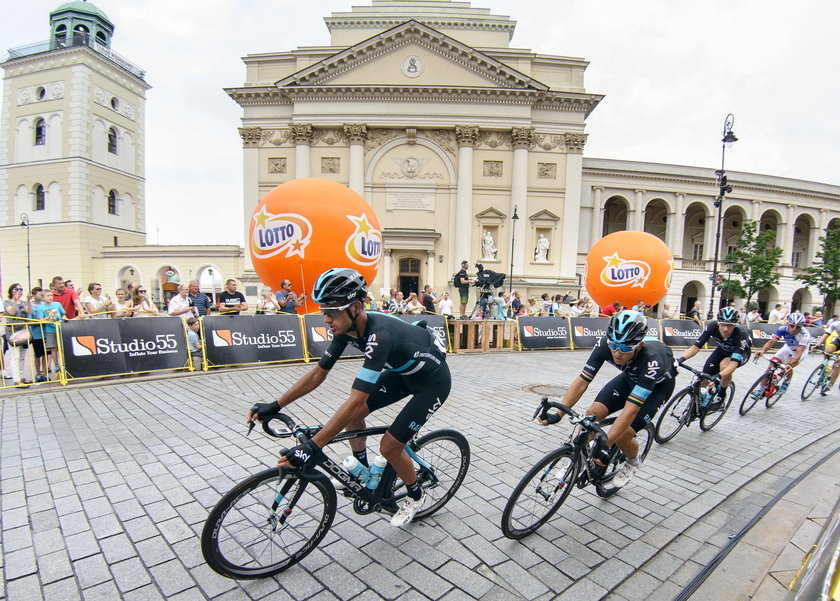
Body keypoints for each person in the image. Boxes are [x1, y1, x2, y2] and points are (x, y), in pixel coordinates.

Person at [248, 268, 450, 527]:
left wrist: (312, 447)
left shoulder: (379, 335)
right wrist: (275, 405)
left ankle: (415, 494)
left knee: (389, 446)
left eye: (331, 312)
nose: (326, 319)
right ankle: (364, 471)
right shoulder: (345, 330)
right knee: (355, 413)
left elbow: (355, 399)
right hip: (403, 374)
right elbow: (318, 374)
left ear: (355, 308)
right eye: (323, 312)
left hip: (432, 383)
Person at [539, 311, 676, 489]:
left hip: (657, 388)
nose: (617, 353)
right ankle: (577, 460)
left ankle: (633, 462)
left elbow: (630, 409)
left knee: (623, 434)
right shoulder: (605, 344)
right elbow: (582, 381)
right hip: (631, 378)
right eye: (614, 345)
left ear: (639, 345)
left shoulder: (652, 360)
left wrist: (606, 443)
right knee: (591, 414)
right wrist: (559, 413)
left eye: (626, 348)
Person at [677, 306, 752, 411]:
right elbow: (695, 347)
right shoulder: (712, 327)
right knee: (704, 377)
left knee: (724, 366)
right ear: (718, 323)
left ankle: (721, 396)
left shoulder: (741, 333)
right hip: (722, 349)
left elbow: (733, 364)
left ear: (735, 325)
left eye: (730, 325)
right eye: (723, 324)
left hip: (741, 353)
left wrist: (718, 377)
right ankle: (701, 400)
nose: (725, 329)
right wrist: (680, 359)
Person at [753, 312, 811, 395]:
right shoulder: (782, 329)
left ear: (801, 327)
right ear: (788, 323)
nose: (794, 329)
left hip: (800, 351)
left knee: (787, 365)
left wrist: (790, 365)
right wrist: (762, 351)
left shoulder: (804, 335)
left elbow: (799, 353)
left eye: (797, 327)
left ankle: (786, 382)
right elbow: (771, 342)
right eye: (792, 325)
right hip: (788, 347)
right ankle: (760, 390)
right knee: (770, 366)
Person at [4, 283, 32, 386]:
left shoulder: (23, 302)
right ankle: (17, 379)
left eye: (21, 289)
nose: (19, 291)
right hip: (13, 331)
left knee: (22, 356)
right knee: (15, 355)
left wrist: (28, 300)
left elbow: (29, 311)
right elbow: (11, 312)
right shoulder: (7, 302)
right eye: (17, 289)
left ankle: (21, 377)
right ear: (12, 291)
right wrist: (15, 301)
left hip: (24, 331)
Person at [40, 289, 66, 379]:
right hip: (50, 329)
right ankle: (56, 365)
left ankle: (64, 364)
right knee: (54, 348)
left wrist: (64, 318)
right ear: (43, 298)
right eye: (47, 296)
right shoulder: (41, 307)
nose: (50, 297)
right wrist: (48, 316)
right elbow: (40, 320)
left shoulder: (57, 304)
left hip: (60, 328)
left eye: (51, 295)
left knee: (62, 347)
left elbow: (63, 314)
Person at [27, 287, 48, 382]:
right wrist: (39, 321)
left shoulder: (44, 305)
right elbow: (29, 320)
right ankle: (38, 373)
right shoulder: (31, 306)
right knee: (38, 354)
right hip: (36, 334)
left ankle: (45, 372)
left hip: (46, 332)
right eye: (40, 294)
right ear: (34, 295)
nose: (42, 296)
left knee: (46, 354)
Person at [814, 318, 840, 393]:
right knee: (827, 351)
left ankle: (831, 383)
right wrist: (817, 345)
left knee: (838, 364)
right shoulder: (836, 324)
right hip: (838, 341)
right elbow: (826, 335)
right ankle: (824, 367)